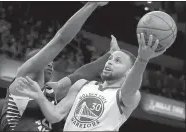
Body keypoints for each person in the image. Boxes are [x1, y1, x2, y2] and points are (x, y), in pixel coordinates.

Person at [15, 33, 167, 131]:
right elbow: (55, 115)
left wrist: (142, 60)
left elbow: (130, 88)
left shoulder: (126, 96)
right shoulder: (82, 85)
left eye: (117, 61)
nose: (110, 62)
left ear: (128, 72)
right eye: (110, 59)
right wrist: (40, 97)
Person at [0, 2, 109, 131]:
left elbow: (79, 75)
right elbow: (61, 39)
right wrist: (92, 4)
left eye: (52, 63)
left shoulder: (50, 91)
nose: (51, 64)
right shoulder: (23, 81)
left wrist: (110, 55)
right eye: (47, 62)